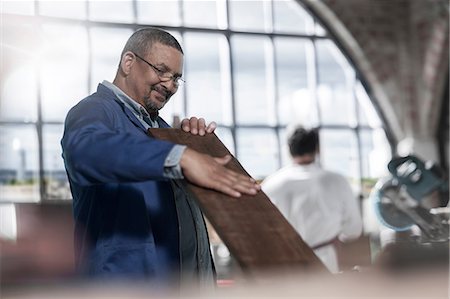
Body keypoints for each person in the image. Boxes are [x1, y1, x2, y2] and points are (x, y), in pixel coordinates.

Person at [60, 27, 260, 288]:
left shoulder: (163, 130)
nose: (170, 84)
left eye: (176, 77)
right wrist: (182, 156)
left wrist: (192, 144)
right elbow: (85, 151)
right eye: (161, 70)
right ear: (128, 62)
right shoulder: (94, 110)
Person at [261, 127, 362, 273]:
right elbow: (353, 230)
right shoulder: (336, 181)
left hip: (283, 268)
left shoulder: (271, 184)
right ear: (317, 149)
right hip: (324, 264)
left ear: (288, 150)